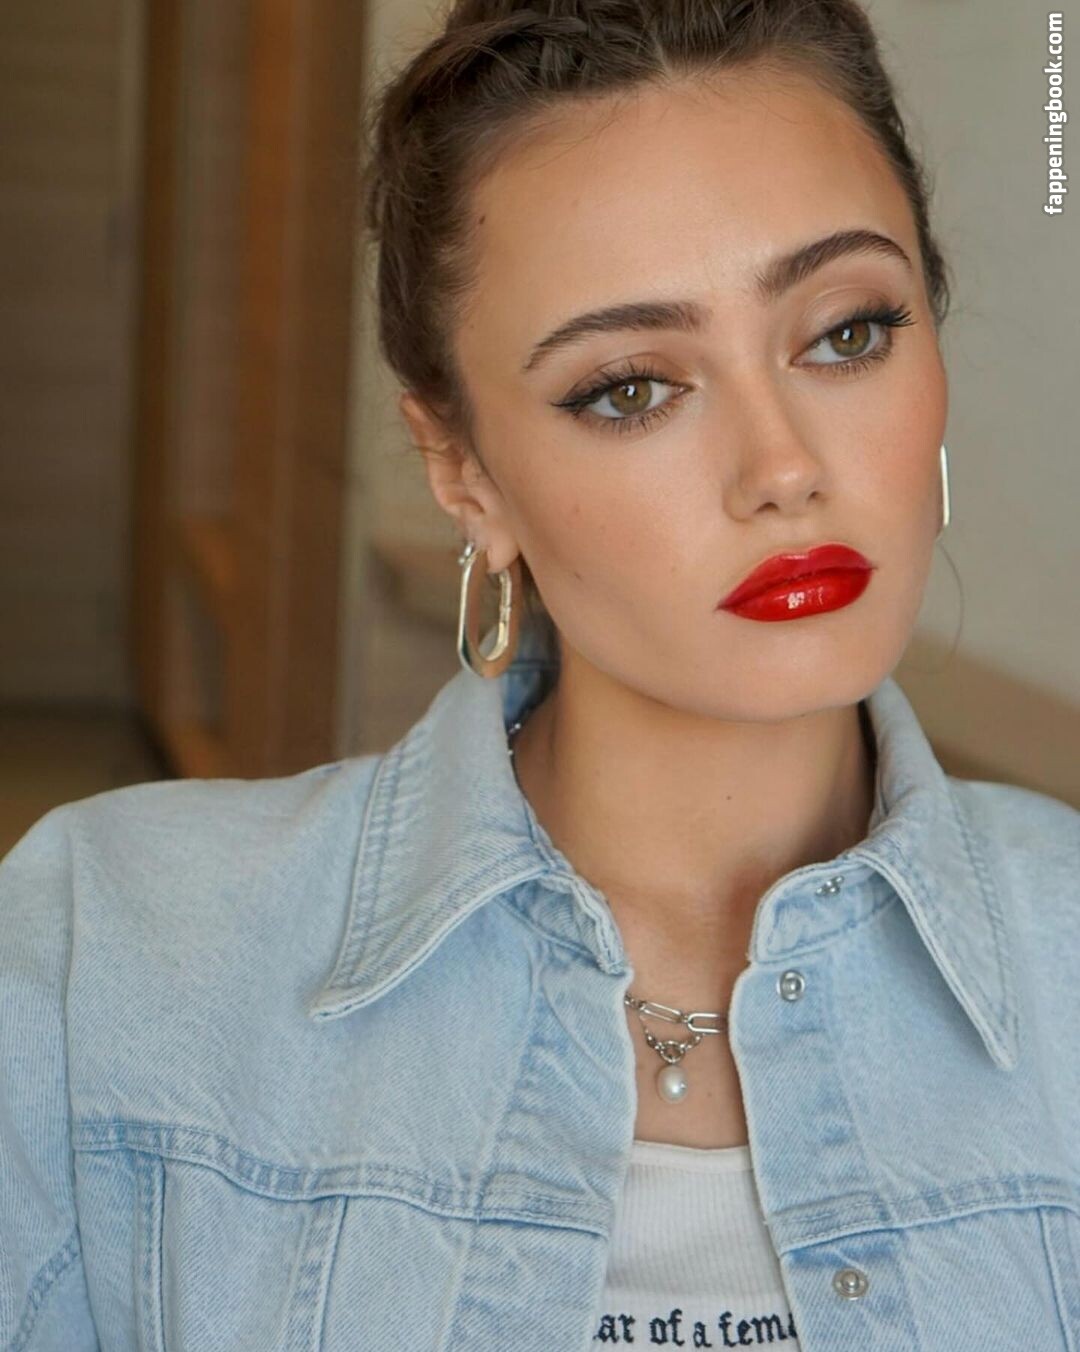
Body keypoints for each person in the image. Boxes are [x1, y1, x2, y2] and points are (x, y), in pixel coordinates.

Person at [2, 2, 1078, 1349]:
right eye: (629, 388)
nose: (783, 466)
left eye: (847, 331)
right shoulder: (103, 958)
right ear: (464, 472)